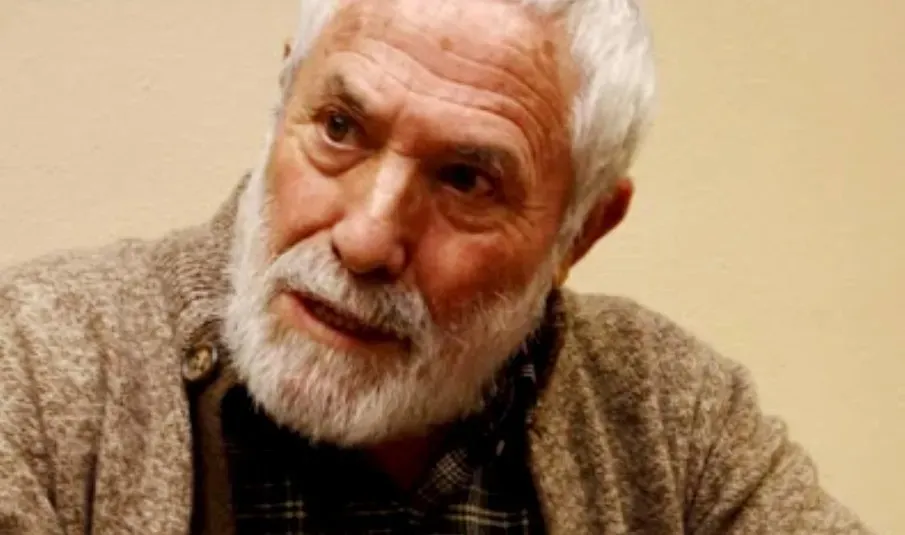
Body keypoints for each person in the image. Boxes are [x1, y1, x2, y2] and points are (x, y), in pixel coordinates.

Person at [0, 0, 873, 533]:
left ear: (579, 235)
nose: (364, 240)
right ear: (281, 101)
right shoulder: (42, 367)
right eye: (340, 128)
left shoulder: (672, 416)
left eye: (464, 179)